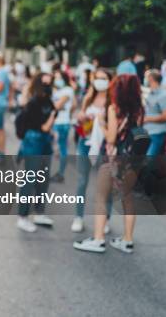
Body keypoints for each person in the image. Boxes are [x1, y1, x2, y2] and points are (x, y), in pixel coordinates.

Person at [74, 74, 144, 254]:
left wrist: (102, 124)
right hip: (132, 160)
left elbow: (111, 138)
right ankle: (127, 240)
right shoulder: (140, 109)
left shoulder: (114, 108)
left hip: (113, 159)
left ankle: (98, 240)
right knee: (128, 199)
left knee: (101, 198)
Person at [72, 68, 113, 233]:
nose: (100, 81)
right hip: (85, 142)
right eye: (97, 78)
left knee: (105, 185)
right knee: (82, 181)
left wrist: (101, 121)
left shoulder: (112, 102)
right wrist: (81, 117)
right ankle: (78, 217)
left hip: (104, 145)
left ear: (110, 81)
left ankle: (106, 219)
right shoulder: (88, 98)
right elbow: (80, 116)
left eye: (103, 78)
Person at [16, 72, 56, 232]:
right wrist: (52, 117)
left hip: (45, 141)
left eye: (50, 83)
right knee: (30, 179)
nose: (47, 87)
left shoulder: (47, 100)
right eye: (44, 84)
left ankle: (39, 213)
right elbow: (45, 125)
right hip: (34, 141)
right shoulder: (33, 102)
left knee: (43, 178)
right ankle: (22, 217)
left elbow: (50, 119)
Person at [51, 70, 75, 182]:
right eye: (55, 77)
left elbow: (57, 105)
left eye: (59, 77)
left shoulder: (67, 90)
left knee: (60, 148)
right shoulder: (57, 90)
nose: (56, 79)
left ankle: (60, 173)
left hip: (61, 123)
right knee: (58, 148)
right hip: (57, 122)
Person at [143, 70, 166, 156]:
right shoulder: (150, 94)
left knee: (149, 161)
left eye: (146, 77)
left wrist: (147, 118)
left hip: (158, 133)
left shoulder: (164, 95)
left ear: (151, 78)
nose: (145, 79)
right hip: (148, 132)